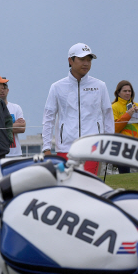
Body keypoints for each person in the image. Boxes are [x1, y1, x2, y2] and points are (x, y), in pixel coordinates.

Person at [42, 43, 114, 175]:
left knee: (88, 186)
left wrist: (109, 146)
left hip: (93, 147)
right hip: (65, 148)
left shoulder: (100, 86)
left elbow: (108, 116)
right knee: (67, 187)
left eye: (89, 59)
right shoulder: (57, 87)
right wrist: (46, 147)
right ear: (70, 60)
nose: (86, 63)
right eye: (82, 59)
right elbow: (49, 118)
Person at [111, 80, 138, 174]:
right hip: (121, 146)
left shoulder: (137, 105)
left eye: (129, 91)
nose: (128, 93)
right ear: (118, 92)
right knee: (124, 175)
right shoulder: (113, 107)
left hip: (137, 144)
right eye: (125, 91)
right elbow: (115, 129)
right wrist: (128, 114)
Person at [0, 82, 26, 157]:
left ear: (8, 90)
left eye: (4, 88)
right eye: (0, 88)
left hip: (15, 153)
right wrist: (14, 125)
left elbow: (22, 128)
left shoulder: (16, 108)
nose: (2, 90)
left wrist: (1, 127)